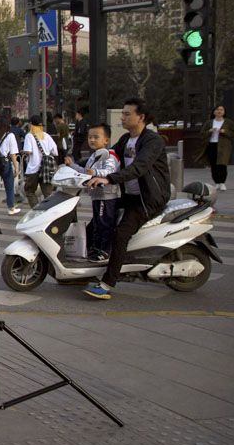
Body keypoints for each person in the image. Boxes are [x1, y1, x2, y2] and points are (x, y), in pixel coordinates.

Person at [83, 98, 170, 300]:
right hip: (130, 196)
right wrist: (76, 168)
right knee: (96, 222)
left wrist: (108, 178)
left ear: (141, 117)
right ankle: (87, 269)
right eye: (122, 113)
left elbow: (139, 167)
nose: (122, 117)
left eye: (127, 114)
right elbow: (105, 156)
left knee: (121, 234)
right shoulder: (125, 140)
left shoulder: (152, 141)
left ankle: (107, 283)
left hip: (148, 199)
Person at [65, 123, 119, 263]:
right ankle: (95, 248)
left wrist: (96, 172)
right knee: (96, 223)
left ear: (106, 140)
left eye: (96, 137)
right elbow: (85, 171)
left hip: (106, 197)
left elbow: (111, 172)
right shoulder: (94, 156)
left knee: (104, 224)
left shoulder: (109, 155)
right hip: (97, 196)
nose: (92, 140)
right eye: (90, 137)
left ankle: (106, 251)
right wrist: (72, 166)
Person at [195, 105, 234, 192]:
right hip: (211, 144)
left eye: (221, 110)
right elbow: (202, 133)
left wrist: (225, 132)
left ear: (224, 112)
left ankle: (222, 182)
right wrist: (210, 131)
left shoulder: (228, 122)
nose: (219, 111)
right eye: (217, 110)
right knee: (213, 164)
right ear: (214, 112)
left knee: (222, 164)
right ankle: (216, 182)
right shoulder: (209, 122)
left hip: (223, 146)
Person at [21, 115, 58, 207]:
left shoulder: (29, 136)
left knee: (29, 191)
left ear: (31, 124)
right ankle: (49, 212)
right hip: (47, 168)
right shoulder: (47, 136)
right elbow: (55, 152)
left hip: (34, 168)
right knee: (48, 193)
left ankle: (36, 211)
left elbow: (29, 151)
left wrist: (23, 151)